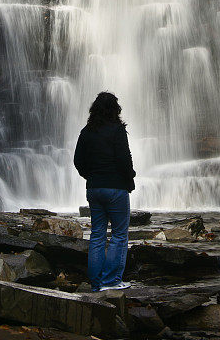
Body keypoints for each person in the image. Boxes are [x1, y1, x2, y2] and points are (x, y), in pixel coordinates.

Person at [74, 91, 136, 292]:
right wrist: (130, 179)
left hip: (94, 188)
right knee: (119, 234)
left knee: (97, 234)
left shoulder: (86, 131)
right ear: (115, 110)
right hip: (116, 188)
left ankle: (96, 284)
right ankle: (111, 281)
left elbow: (78, 161)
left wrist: (90, 176)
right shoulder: (117, 131)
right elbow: (124, 160)